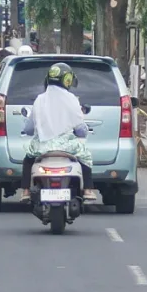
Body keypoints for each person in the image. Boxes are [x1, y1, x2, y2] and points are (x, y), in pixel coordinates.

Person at [18, 63, 97, 202]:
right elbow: (81, 130)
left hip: (42, 146)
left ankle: (25, 191)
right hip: (67, 147)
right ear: (67, 80)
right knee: (85, 157)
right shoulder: (72, 99)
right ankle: (88, 190)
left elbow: (29, 129)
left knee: (28, 159)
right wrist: (82, 131)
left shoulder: (39, 99)